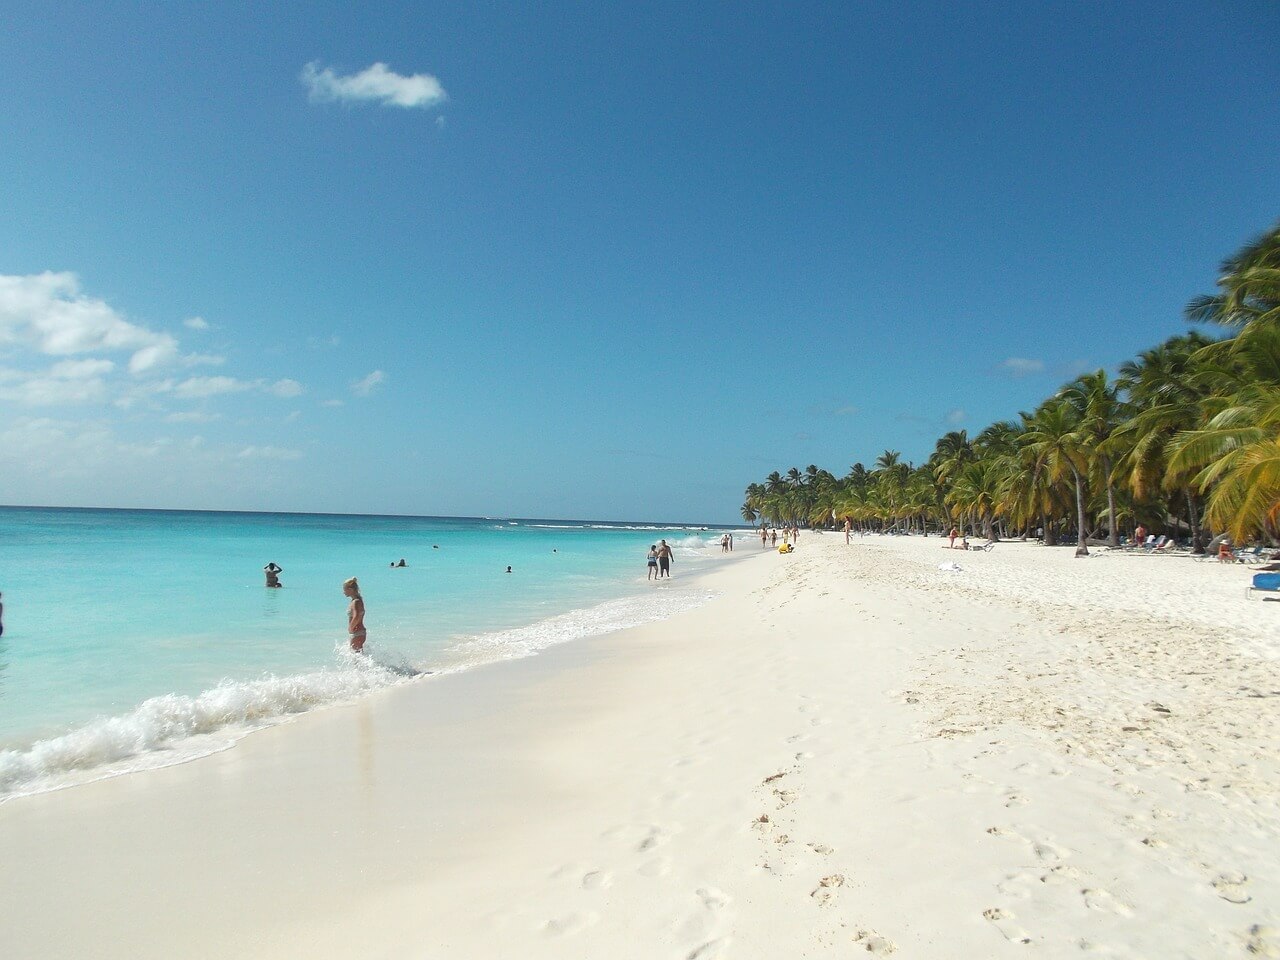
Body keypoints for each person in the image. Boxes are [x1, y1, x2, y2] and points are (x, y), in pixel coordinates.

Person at [343, 577, 366, 652]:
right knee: (358, 656)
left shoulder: (355, 602)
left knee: (356, 657)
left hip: (357, 632)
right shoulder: (359, 600)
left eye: (345, 589)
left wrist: (350, 628)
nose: (343, 592)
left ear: (350, 589)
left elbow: (357, 616)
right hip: (360, 632)